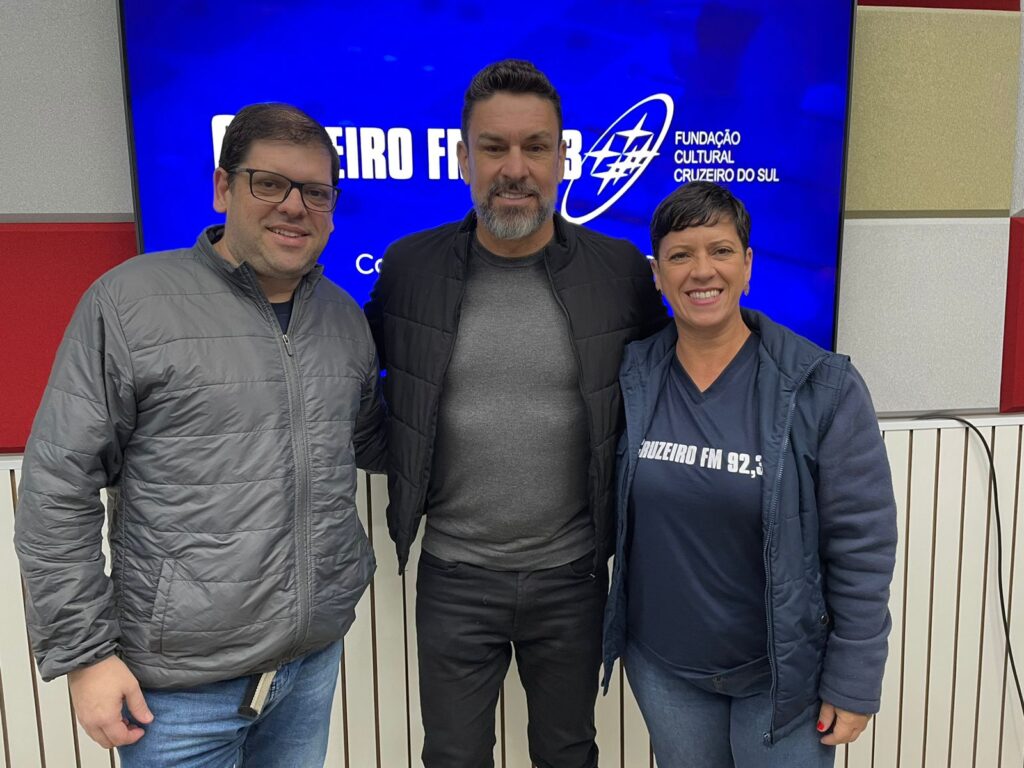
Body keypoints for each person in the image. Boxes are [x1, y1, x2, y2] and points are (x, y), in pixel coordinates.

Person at [14, 103, 386, 768]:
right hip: (178, 694)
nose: (294, 206)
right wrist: (86, 656)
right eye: (269, 183)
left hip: (309, 665)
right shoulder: (129, 303)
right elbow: (55, 488)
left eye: (316, 191)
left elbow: (369, 441)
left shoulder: (343, 319)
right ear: (223, 187)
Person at [364, 59, 667, 768]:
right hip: (454, 575)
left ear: (562, 159)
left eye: (535, 146)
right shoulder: (409, 269)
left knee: (568, 753)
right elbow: (350, 377)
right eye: (494, 147)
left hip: (573, 576)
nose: (515, 168)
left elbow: (680, 375)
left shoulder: (618, 270)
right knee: (452, 756)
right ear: (463, 158)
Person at [601, 181, 898, 767]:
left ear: (748, 265)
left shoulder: (821, 386)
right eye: (680, 255)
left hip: (782, 681)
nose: (701, 270)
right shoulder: (634, 375)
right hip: (666, 671)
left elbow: (862, 543)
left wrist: (855, 677)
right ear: (657, 274)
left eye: (721, 250)